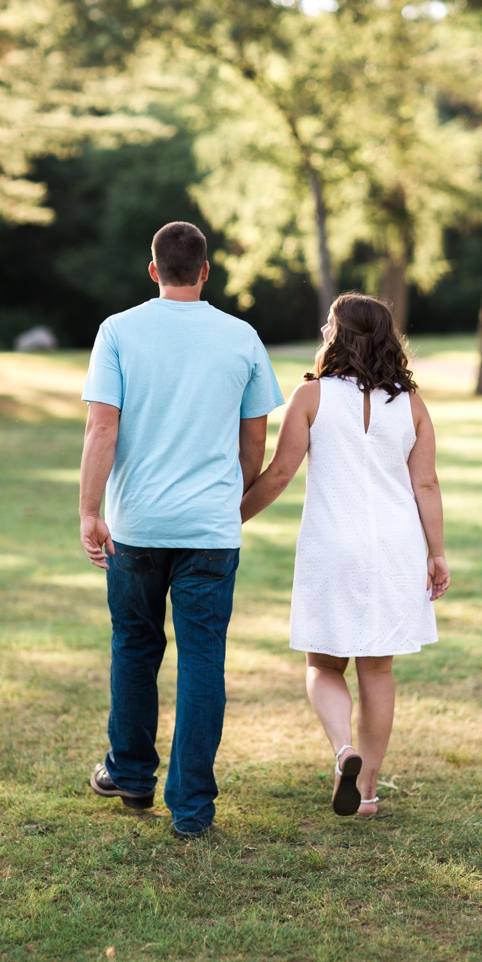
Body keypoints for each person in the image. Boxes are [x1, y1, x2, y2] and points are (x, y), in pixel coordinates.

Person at [80, 221, 285, 839]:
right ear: (204, 271)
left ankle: (133, 776)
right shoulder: (242, 336)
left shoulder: (117, 331)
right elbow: (255, 441)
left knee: (134, 647)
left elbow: (101, 429)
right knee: (202, 661)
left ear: (152, 270)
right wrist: (231, 499)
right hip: (211, 531)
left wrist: (90, 511)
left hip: (137, 526)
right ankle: (192, 809)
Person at [240, 292, 449, 818]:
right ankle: (369, 791)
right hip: (397, 546)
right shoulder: (411, 403)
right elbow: (425, 482)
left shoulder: (311, 396)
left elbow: (281, 474)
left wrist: (231, 517)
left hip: (332, 544)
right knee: (377, 670)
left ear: (337, 334)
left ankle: (343, 751)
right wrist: (437, 552)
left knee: (323, 663)